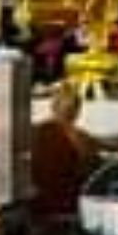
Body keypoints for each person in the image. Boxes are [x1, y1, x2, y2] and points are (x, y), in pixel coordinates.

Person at [30, 84, 96, 222]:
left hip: (40, 205)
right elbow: (89, 171)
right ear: (77, 111)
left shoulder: (36, 131)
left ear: (53, 107)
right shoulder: (82, 138)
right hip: (69, 206)